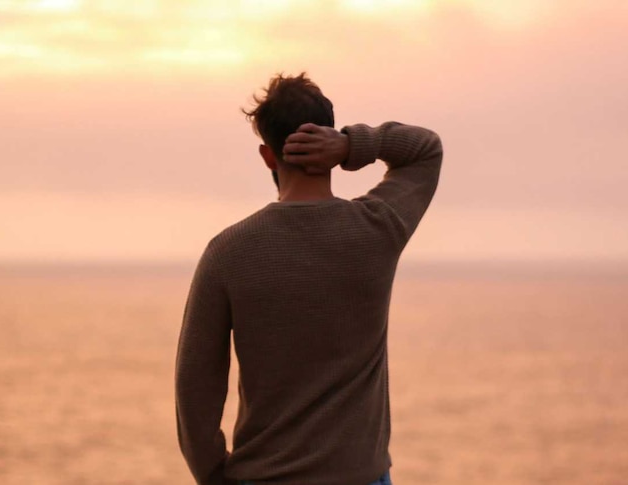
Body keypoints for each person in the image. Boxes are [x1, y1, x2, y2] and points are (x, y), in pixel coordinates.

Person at [175, 72, 443, 485]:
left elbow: (196, 388)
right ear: (329, 141)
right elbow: (426, 150)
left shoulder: (227, 252)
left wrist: (213, 475)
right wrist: (355, 145)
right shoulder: (376, 229)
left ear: (267, 155)